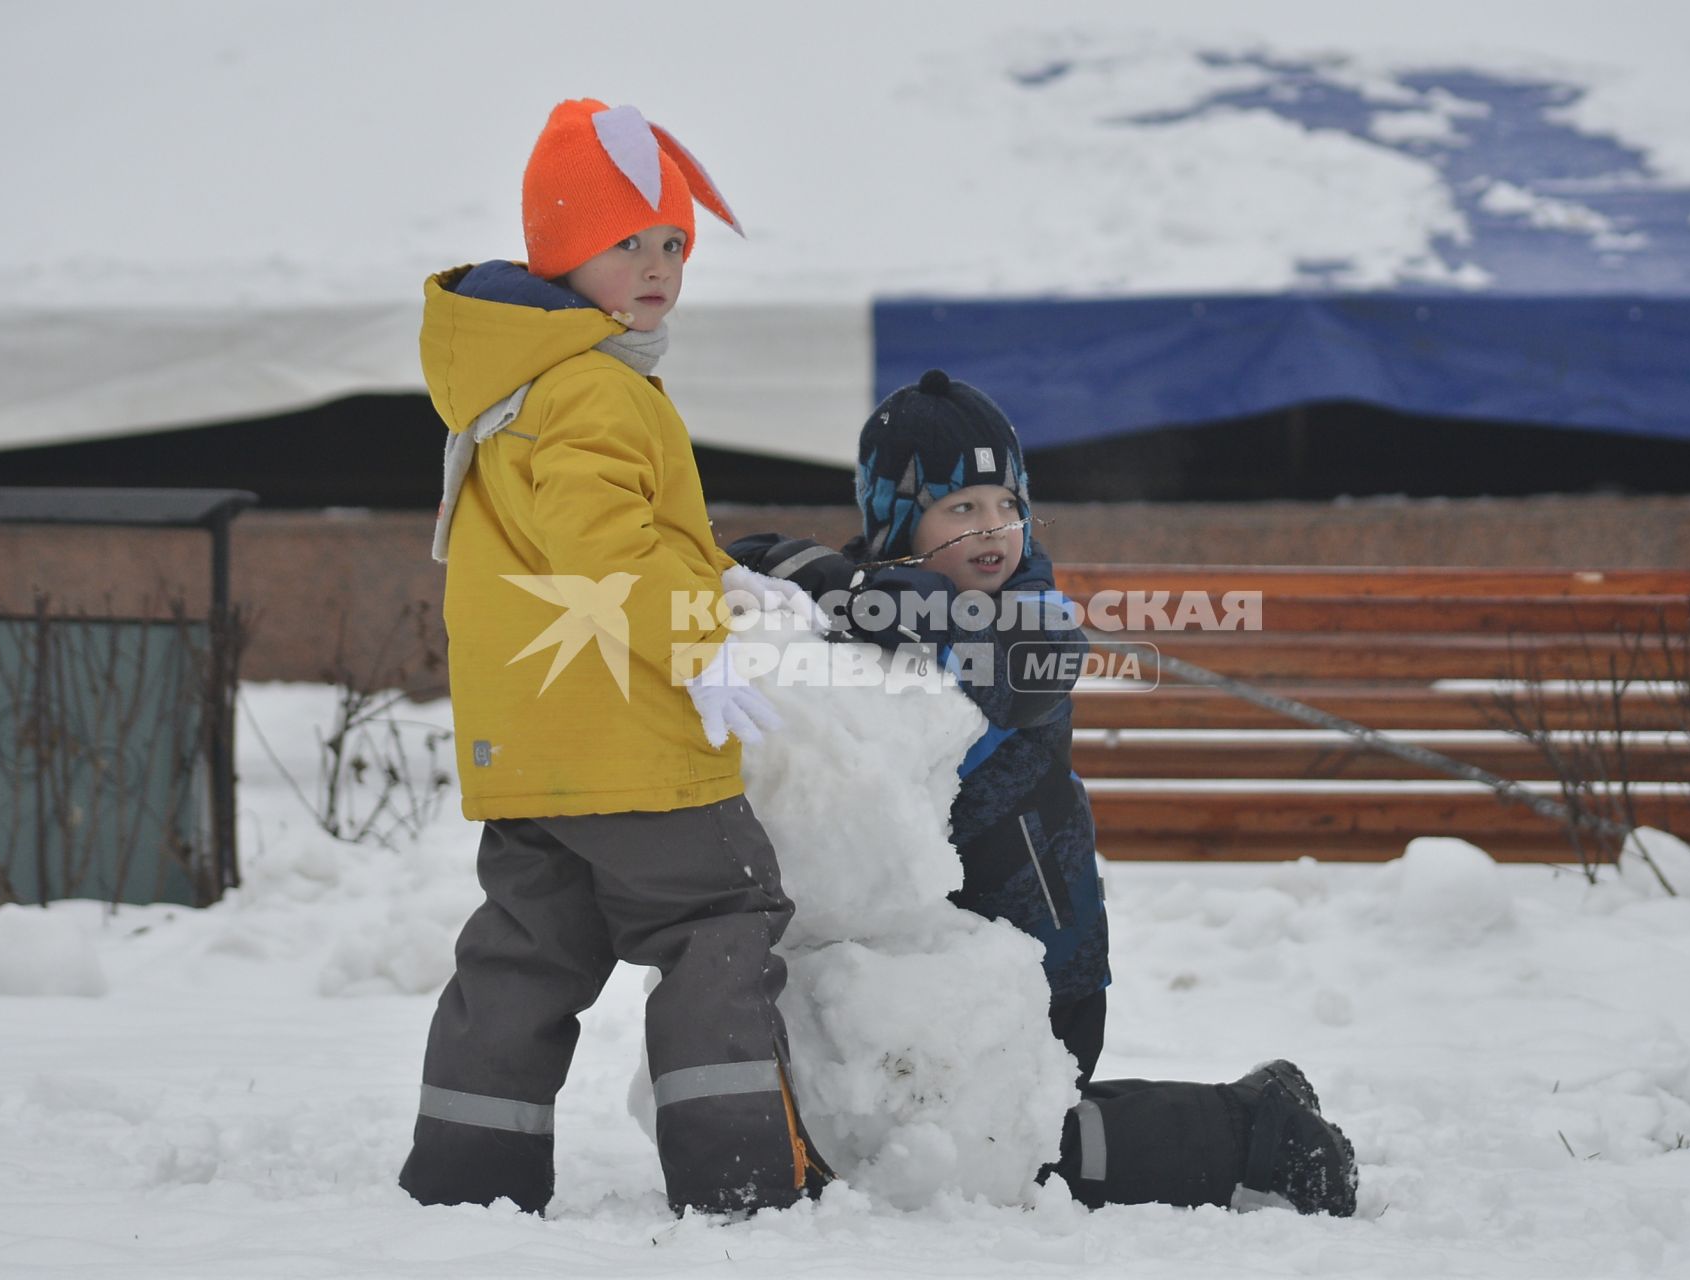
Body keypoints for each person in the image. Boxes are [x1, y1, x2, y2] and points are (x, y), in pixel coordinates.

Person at [729, 370, 1359, 1215]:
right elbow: (743, 555)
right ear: (896, 522)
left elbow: (977, 676)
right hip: (936, 964)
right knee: (964, 1132)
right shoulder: (878, 602)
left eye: (1007, 506)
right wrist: (844, 583)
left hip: (1039, 958)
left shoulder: (1035, 626)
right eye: (961, 510)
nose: (995, 530)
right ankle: (1249, 1109)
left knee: (1017, 1152)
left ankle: (1257, 1134)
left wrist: (882, 599)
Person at [399, 97, 831, 1219]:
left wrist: (709, 573)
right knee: (718, 920)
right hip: (624, 736)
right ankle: (737, 1173)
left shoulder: (512, 382)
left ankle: (466, 1172)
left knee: (528, 950)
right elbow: (605, 544)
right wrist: (698, 638)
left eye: (671, 242)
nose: (654, 267)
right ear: (558, 248)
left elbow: (577, 541)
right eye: (623, 241)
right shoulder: (592, 384)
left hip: (535, 738)